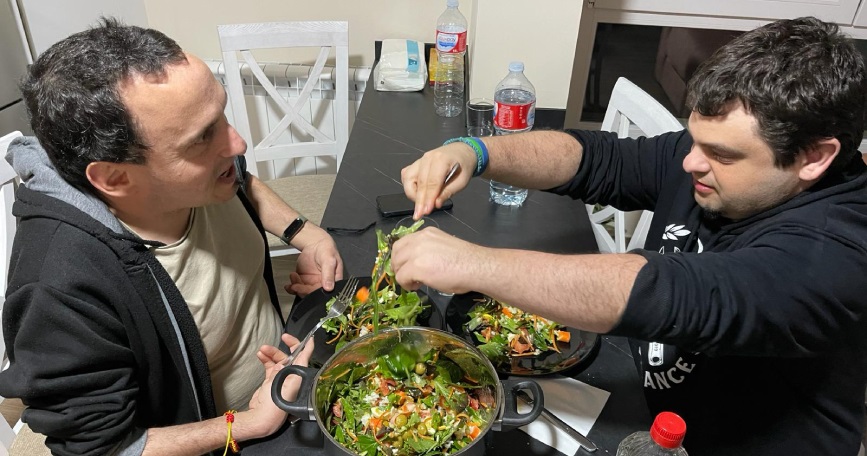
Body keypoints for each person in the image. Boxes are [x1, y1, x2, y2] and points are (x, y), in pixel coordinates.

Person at [394, 17, 867, 455]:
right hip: (641, 401)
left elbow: (670, 292)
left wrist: (473, 264)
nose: (690, 162)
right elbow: (599, 159)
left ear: (814, 157)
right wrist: (474, 151)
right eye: (694, 139)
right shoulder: (716, 162)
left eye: (721, 154)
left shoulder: (836, 253)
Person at [0, 19, 344, 455]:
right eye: (202, 138)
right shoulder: (59, 288)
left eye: (220, 115)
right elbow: (103, 449)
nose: (237, 143)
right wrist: (248, 425)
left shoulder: (203, 171)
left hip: (289, 364)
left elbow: (238, 176)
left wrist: (303, 232)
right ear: (114, 178)